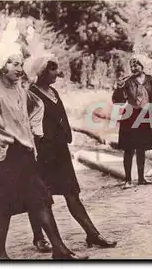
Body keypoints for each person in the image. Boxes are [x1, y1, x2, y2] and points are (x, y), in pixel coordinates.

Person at [0, 42, 88, 260]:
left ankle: (60, 250)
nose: (18, 69)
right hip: (4, 158)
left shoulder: (21, 91)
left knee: (41, 201)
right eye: (12, 64)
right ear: (2, 67)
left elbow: (37, 106)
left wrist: (33, 133)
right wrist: (12, 139)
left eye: (20, 64)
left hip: (25, 156)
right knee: (5, 208)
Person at [22, 54, 117, 251]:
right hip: (42, 154)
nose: (57, 72)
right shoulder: (30, 95)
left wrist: (65, 137)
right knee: (41, 198)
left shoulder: (54, 92)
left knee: (72, 194)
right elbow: (26, 124)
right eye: (52, 68)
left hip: (60, 153)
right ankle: (39, 237)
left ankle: (93, 234)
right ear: (41, 72)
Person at [112, 57, 152, 188]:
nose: (133, 68)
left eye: (136, 65)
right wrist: (119, 88)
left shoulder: (151, 80)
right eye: (131, 66)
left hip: (146, 115)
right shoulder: (127, 81)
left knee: (142, 148)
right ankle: (128, 180)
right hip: (130, 116)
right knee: (129, 149)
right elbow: (118, 101)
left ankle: (142, 178)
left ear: (142, 66)